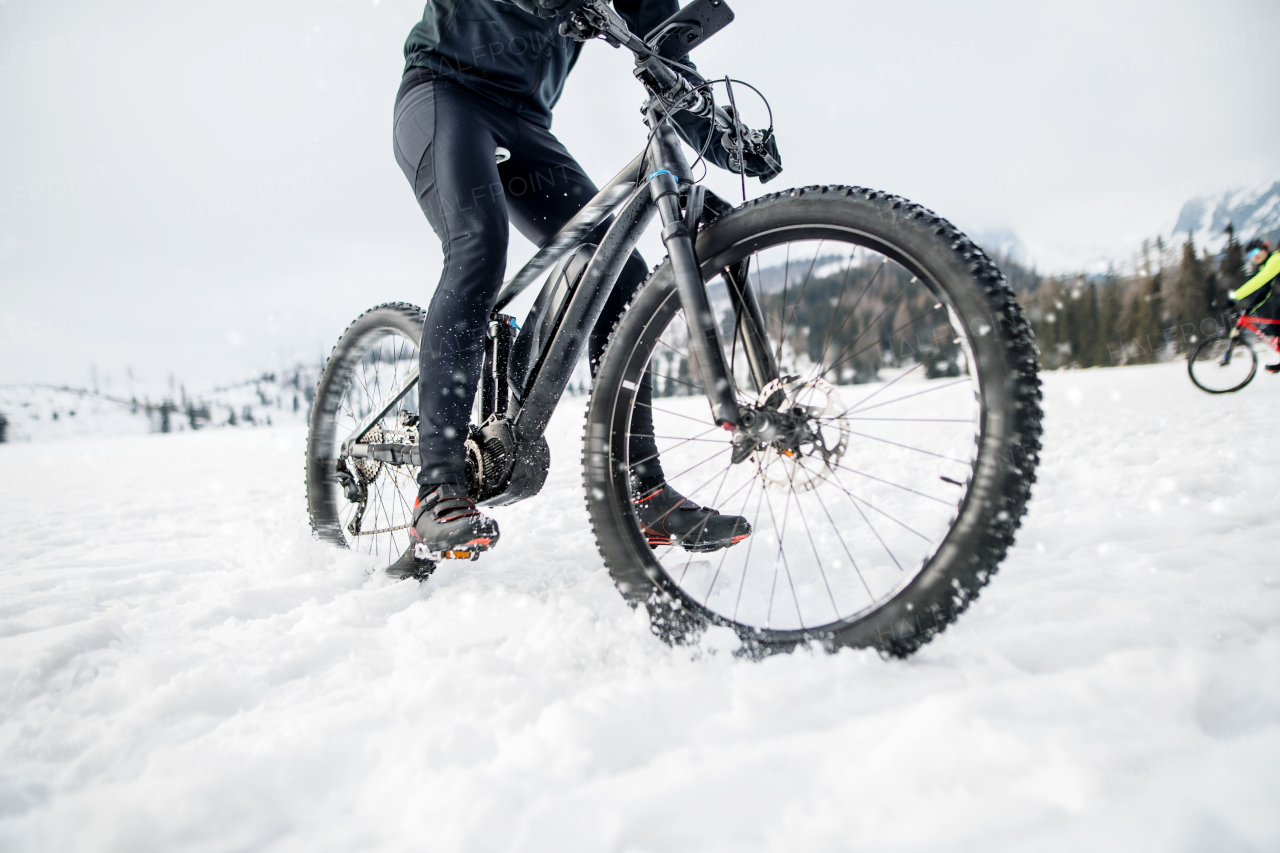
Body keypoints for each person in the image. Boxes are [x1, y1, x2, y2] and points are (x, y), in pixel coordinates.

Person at [391, 0, 768, 564]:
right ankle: (437, 486)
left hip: (522, 121)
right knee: (479, 245)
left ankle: (644, 491)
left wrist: (721, 138)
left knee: (619, 271)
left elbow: (664, 49)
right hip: (443, 90)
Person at [1230, 238, 1280, 372]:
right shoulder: (1266, 266)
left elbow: (1258, 280)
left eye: (1257, 251)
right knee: (1276, 321)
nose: (1255, 256)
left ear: (1265, 248)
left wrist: (1235, 297)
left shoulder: (1276, 259)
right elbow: (1263, 292)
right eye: (1251, 255)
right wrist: (1248, 310)